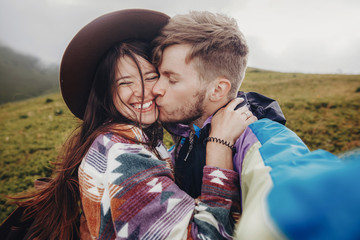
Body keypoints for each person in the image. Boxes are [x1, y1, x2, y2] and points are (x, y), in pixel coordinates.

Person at [7, 9, 256, 240]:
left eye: (151, 76)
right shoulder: (124, 152)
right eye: (126, 82)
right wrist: (219, 147)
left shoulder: (127, 139)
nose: (147, 91)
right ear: (107, 93)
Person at [151, 11, 360, 239]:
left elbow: (290, 184)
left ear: (218, 90)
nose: (156, 89)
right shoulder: (184, 139)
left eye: (172, 79)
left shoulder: (260, 139)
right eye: (158, 75)